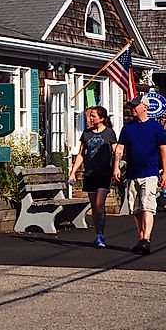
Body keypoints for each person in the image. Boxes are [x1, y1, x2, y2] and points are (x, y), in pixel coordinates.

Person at [113, 94, 166, 255]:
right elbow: (120, 149)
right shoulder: (128, 128)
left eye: (135, 106)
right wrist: (116, 166)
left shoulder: (156, 127)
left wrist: (165, 173)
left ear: (145, 107)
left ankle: (146, 239)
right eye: (131, 106)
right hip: (132, 173)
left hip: (150, 172)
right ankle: (141, 239)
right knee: (136, 208)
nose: (132, 109)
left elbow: (164, 151)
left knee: (148, 206)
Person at [68, 106, 117, 248]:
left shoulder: (109, 133)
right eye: (90, 116)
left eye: (93, 116)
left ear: (101, 119)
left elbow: (116, 153)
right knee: (94, 207)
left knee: (99, 204)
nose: (90, 118)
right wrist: (73, 172)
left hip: (104, 173)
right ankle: (98, 234)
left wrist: (116, 168)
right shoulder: (86, 134)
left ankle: (101, 234)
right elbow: (81, 154)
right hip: (90, 174)